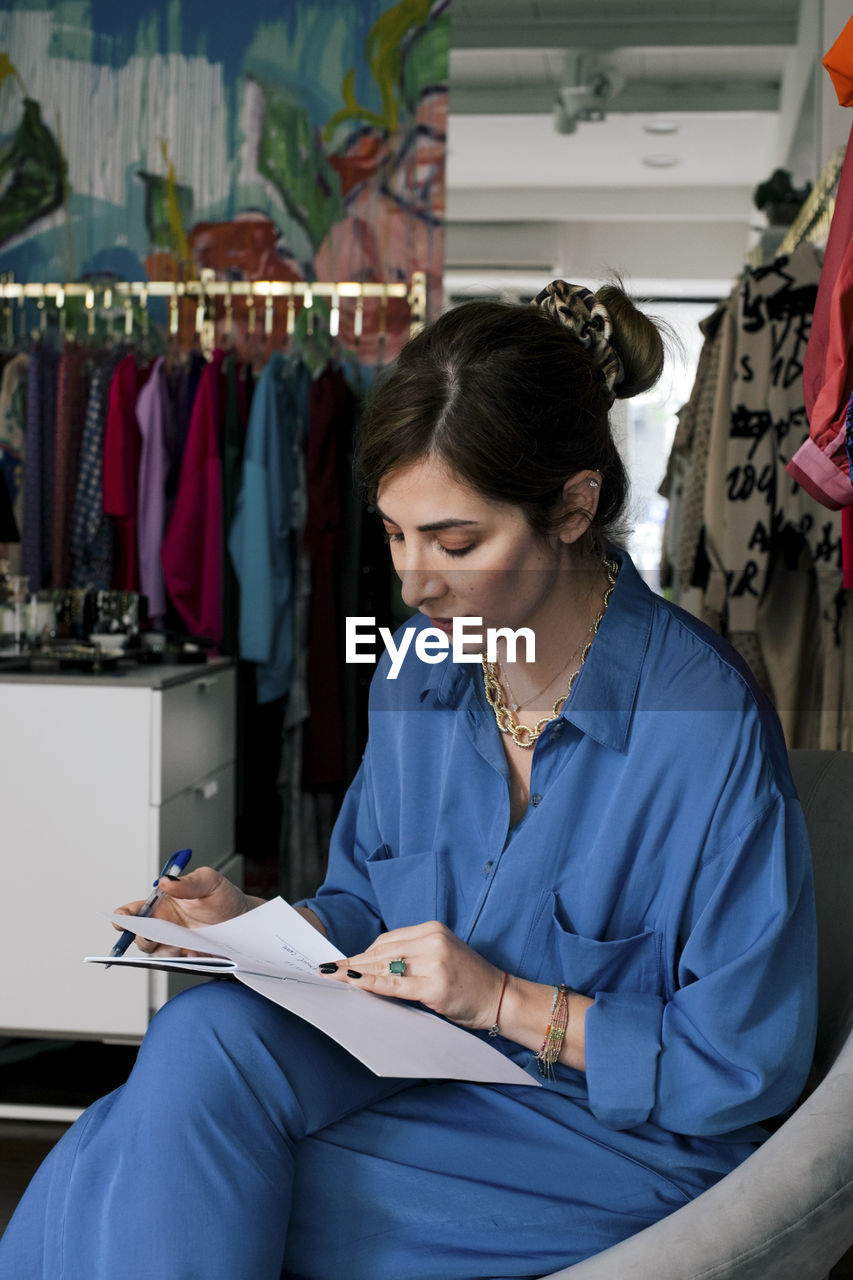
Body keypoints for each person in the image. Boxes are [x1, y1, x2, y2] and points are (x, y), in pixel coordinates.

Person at [0, 281, 817, 1280]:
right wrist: (259, 924)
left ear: (573, 506)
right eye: (393, 533)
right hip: (418, 1056)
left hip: (611, 1128)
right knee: (198, 1036)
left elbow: (740, 1065)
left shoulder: (703, 723)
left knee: (124, 1159)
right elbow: (367, 904)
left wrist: (503, 999)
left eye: (455, 541)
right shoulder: (419, 663)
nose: (412, 581)